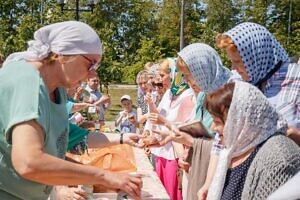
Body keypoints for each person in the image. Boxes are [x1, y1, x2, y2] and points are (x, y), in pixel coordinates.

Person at [0, 21, 142, 200]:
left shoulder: (56, 88)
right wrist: (104, 176)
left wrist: (105, 178)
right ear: (65, 54)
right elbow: (29, 162)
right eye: (91, 64)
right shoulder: (26, 79)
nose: (92, 74)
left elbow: (53, 155)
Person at [152, 43, 232, 200]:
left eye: (189, 76)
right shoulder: (203, 95)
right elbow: (196, 126)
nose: (188, 82)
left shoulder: (226, 95)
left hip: (217, 171)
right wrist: (173, 135)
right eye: (185, 77)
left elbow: (224, 142)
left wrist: (190, 141)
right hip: (198, 165)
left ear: (203, 70)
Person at [204, 81, 300, 200]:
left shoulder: (279, 160)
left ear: (241, 121)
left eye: (217, 122)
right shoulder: (234, 151)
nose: (213, 128)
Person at [216, 22, 300, 142]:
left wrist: (294, 135)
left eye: (238, 62)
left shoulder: (295, 80)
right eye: (232, 61)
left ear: (257, 57)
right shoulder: (243, 84)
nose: (233, 68)